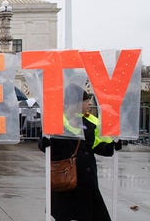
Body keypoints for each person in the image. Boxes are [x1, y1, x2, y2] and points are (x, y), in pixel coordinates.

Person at [38, 86, 120, 221]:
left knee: (90, 214)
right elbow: (46, 147)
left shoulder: (90, 121)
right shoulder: (57, 121)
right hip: (65, 178)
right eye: (86, 101)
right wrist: (45, 142)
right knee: (65, 214)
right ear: (75, 102)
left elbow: (97, 145)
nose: (89, 104)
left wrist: (112, 146)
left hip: (86, 179)